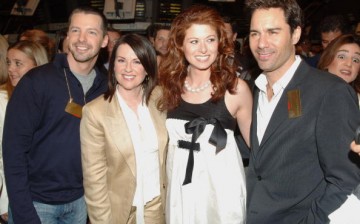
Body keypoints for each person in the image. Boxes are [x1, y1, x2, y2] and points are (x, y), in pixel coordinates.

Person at [244, 0, 360, 223]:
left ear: (295, 34)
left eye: (272, 32)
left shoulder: (330, 92)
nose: (261, 43)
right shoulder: (256, 89)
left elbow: (344, 179)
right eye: (254, 33)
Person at [3, 6, 108, 224]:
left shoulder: (107, 86)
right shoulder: (36, 81)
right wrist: (24, 213)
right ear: (67, 35)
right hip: (36, 204)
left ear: (104, 40)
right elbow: (13, 152)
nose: (82, 38)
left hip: (81, 203)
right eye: (76, 30)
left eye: (91, 32)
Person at [158, 5, 252, 224]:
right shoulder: (168, 88)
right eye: (194, 41)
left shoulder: (236, 89)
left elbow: (258, 151)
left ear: (220, 43)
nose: (203, 49)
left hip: (222, 194)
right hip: (180, 191)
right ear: (180, 46)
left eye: (210, 40)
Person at [81, 33, 168, 224]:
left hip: (158, 209)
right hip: (118, 213)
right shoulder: (95, 112)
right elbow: (94, 181)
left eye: (137, 61)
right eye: (121, 60)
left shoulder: (160, 99)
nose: (128, 68)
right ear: (113, 67)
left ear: (148, 67)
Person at [0, 40, 49, 223]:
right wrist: (5, 201)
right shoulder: (3, 101)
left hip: (46, 195)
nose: (11, 69)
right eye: (8, 62)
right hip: (18, 198)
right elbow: (4, 158)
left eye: (18, 63)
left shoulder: (52, 99)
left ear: (38, 65)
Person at [317, 34, 360, 223]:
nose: (349, 64)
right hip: (332, 198)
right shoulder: (314, 95)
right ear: (328, 59)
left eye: (356, 59)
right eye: (342, 56)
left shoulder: (353, 96)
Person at [318, 34, 360, 104]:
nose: (349, 64)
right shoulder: (308, 93)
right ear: (327, 60)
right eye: (341, 57)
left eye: (355, 60)